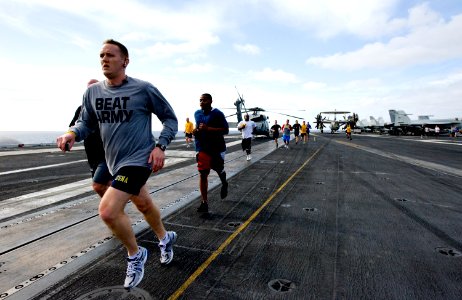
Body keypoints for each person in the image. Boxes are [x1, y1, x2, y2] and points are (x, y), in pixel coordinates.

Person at [56, 39, 178, 289]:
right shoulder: (92, 93)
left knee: (108, 211)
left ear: (125, 61)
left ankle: (136, 254)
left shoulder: (143, 89)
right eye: (101, 55)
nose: (104, 59)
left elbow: (169, 118)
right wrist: (71, 134)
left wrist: (160, 146)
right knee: (143, 203)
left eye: (110, 55)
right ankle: (165, 238)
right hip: (113, 162)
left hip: (139, 159)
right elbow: (86, 123)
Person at [69, 79, 112, 197]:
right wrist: (71, 134)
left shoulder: (108, 107)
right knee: (106, 184)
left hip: (108, 154)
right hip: (92, 155)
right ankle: (114, 209)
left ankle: (113, 208)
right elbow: (73, 127)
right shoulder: (81, 109)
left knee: (98, 184)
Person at [193, 93, 229, 213]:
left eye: (204, 100)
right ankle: (204, 202)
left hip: (217, 148)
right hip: (202, 148)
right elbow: (199, 128)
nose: (201, 102)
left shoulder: (217, 113)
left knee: (218, 169)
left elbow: (226, 130)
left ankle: (224, 183)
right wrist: (196, 131)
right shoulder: (197, 113)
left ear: (210, 101)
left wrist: (208, 129)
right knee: (203, 174)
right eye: (200, 100)